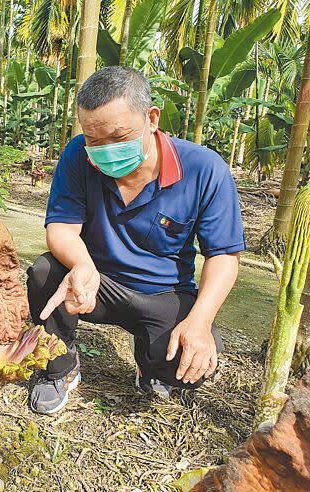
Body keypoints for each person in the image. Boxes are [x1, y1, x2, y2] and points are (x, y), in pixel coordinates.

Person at [27, 66, 246, 415]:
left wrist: (200, 321)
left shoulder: (205, 170)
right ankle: (60, 367)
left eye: (119, 136)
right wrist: (83, 265)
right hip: (96, 285)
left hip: (162, 294)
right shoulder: (77, 156)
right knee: (45, 272)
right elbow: (61, 229)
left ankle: (149, 358)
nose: (105, 150)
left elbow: (224, 256)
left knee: (187, 369)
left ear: (152, 119)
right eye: (94, 140)